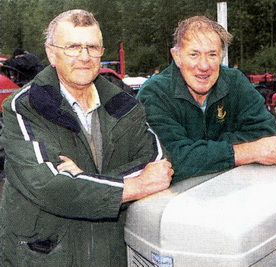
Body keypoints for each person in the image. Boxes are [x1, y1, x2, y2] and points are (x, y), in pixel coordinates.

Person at [0, 9, 173, 267]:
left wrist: (83, 179)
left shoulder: (124, 104)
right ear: (51, 53)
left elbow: (159, 165)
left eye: (92, 47)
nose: (84, 57)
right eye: (72, 47)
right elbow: (51, 186)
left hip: (110, 252)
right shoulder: (25, 106)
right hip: (45, 256)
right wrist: (135, 185)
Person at [137, 16, 276, 182]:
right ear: (177, 56)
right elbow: (172, 159)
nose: (204, 66)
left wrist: (198, 150)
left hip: (232, 187)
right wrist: (247, 151)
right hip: (175, 200)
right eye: (194, 54)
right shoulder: (154, 93)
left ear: (221, 57)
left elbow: (265, 134)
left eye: (212, 54)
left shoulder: (235, 82)